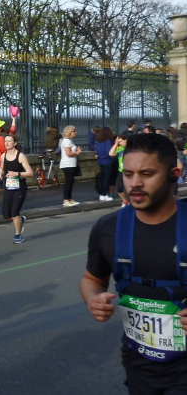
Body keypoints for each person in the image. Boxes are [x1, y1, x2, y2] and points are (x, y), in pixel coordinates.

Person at [80, 133, 187, 394]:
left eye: (147, 174)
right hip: (139, 366)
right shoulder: (108, 228)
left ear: (174, 174)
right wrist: (93, 299)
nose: (135, 183)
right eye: (128, 174)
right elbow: (92, 279)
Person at [0, 135, 33, 244]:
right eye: (5, 141)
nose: (6, 143)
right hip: (9, 187)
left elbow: (30, 173)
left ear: (15, 143)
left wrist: (17, 173)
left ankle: (18, 235)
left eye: (9, 141)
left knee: (14, 212)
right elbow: (2, 169)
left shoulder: (20, 156)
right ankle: (21, 220)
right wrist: (0, 174)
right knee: (6, 215)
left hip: (20, 188)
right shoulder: (3, 156)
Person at [60, 125, 82, 206]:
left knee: (71, 181)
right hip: (67, 164)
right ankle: (66, 199)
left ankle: (69, 198)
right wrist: (77, 153)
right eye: (74, 131)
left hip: (71, 163)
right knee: (68, 182)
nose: (75, 133)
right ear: (69, 132)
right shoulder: (66, 141)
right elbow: (68, 153)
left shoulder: (70, 141)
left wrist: (77, 150)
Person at [95, 127, 116, 202]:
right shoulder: (108, 141)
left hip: (101, 161)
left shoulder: (99, 141)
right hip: (107, 161)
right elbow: (109, 152)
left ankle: (102, 194)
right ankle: (105, 194)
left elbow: (97, 152)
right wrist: (115, 155)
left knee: (103, 178)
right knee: (107, 179)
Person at [109, 134, 130, 207]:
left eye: (121, 141)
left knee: (129, 187)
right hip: (121, 170)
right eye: (119, 142)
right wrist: (115, 144)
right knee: (119, 187)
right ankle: (124, 200)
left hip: (129, 171)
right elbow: (111, 154)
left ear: (126, 140)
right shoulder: (120, 148)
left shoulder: (130, 148)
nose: (120, 143)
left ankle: (131, 201)